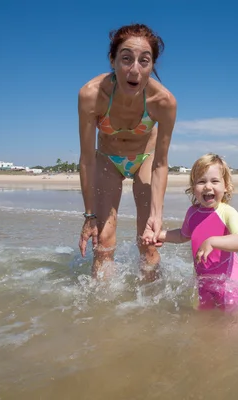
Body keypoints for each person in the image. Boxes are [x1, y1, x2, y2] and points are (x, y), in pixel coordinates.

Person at [77, 23, 177, 282]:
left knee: (149, 241)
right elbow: (87, 159)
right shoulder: (92, 95)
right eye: (126, 59)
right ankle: (100, 311)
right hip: (107, 160)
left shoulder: (163, 102)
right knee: (104, 241)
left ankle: (151, 305)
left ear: (152, 64)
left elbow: (161, 164)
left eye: (144, 61)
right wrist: (89, 215)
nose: (134, 70)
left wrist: (157, 215)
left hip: (146, 158)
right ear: (112, 60)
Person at [154, 153, 238, 312]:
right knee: (202, 322)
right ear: (193, 188)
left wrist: (213, 241)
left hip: (228, 283)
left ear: (226, 186)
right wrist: (160, 236)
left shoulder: (227, 212)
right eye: (201, 181)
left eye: (215, 181)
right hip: (202, 283)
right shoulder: (192, 212)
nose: (208, 186)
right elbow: (183, 235)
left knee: (231, 323)